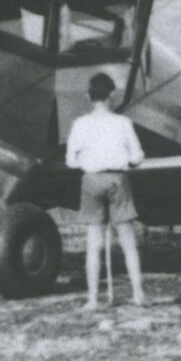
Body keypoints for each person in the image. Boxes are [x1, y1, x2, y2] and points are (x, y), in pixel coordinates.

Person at [66, 70, 147, 310]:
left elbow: (71, 161)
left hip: (91, 181)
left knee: (94, 242)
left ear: (87, 96)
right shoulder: (123, 123)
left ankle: (92, 299)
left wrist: (88, 165)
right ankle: (138, 294)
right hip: (117, 179)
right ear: (112, 94)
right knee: (128, 239)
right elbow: (137, 156)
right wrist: (130, 161)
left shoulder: (80, 124)